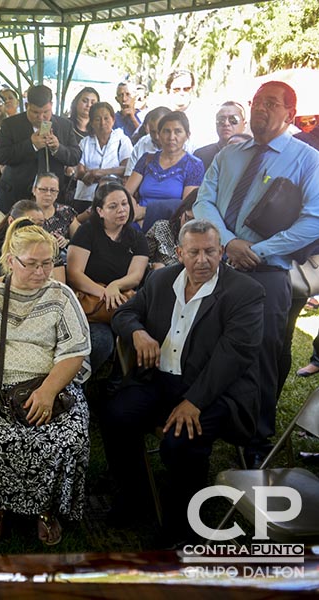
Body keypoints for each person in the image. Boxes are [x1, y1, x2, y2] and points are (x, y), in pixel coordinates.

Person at [106, 219, 264, 543]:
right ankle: (137, 495)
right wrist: (137, 333)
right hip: (159, 378)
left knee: (180, 443)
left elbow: (233, 356)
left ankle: (183, 525)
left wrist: (195, 402)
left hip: (215, 389)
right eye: (194, 252)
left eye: (210, 251)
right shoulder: (161, 278)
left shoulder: (246, 292)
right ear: (179, 252)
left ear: (222, 252)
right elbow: (124, 314)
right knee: (115, 416)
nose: (202, 260)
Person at [193, 81, 319, 467]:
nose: (261, 109)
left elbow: (314, 221)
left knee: (262, 355)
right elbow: (204, 199)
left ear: (290, 114)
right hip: (218, 264)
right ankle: (211, 418)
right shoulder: (232, 152)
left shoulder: (306, 158)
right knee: (207, 345)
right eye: (257, 102)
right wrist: (229, 243)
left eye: (271, 103)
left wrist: (257, 251)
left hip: (267, 272)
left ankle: (257, 438)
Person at [0, 223, 90, 546]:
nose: (41, 271)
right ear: (10, 260)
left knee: (66, 434)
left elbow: (75, 351)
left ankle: (46, 508)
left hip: (53, 388)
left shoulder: (61, 296)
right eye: (31, 263)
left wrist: (48, 391)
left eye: (47, 263)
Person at [67, 182, 148, 373]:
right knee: (101, 342)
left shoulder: (137, 238)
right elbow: (74, 274)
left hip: (122, 303)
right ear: (100, 211)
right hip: (91, 304)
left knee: (141, 337)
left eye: (124, 204)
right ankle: (76, 383)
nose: (121, 210)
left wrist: (115, 286)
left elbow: (136, 276)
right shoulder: (87, 231)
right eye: (113, 206)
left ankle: (119, 387)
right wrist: (105, 293)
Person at [0, 85, 81, 213]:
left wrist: (58, 148)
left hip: (51, 198)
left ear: (51, 105)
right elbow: (0, 155)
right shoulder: (11, 124)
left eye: (46, 112)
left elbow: (75, 156)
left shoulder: (64, 125)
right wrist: (31, 145)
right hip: (15, 196)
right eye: (35, 112)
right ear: (27, 105)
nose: (41, 117)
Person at [126, 111, 204, 232]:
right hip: (137, 222)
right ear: (159, 134)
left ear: (187, 135)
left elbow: (185, 205)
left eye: (178, 131)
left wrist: (146, 212)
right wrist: (135, 211)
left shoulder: (194, 165)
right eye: (166, 131)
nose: (171, 137)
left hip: (170, 227)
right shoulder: (147, 159)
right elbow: (126, 192)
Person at [0, 201, 48, 290]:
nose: (34, 229)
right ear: (11, 221)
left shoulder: (48, 249)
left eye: (40, 225)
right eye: (29, 223)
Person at [72, 102, 132, 207]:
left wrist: (98, 172)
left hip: (112, 197)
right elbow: (79, 171)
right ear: (91, 122)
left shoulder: (122, 140)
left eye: (106, 118)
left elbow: (126, 169)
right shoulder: (85, 142)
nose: (102, 123)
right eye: (97, 119)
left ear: (113, 120)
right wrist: (110, 172)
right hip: (85, 197)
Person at [146, 190, 196, 269]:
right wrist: (153, 266)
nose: (190, 225)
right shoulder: (161, 228)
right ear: (181, 212)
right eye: (188, 219)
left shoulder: (204, 240)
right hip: (161, 276)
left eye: (196, 222)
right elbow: (140, 260)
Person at [193, 102, 248, 170]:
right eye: (221, 120)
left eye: (233, 119)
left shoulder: (253, 155)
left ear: (244, 124)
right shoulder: (201, 156)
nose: (226, 123)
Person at [33, 172, 79, 254]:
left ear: (57, 193)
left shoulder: (66, 212)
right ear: (34, 190)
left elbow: (79, 240)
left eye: (53, 190)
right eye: (43, 189)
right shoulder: (25, 213)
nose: (48, 194)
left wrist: (66, 241)